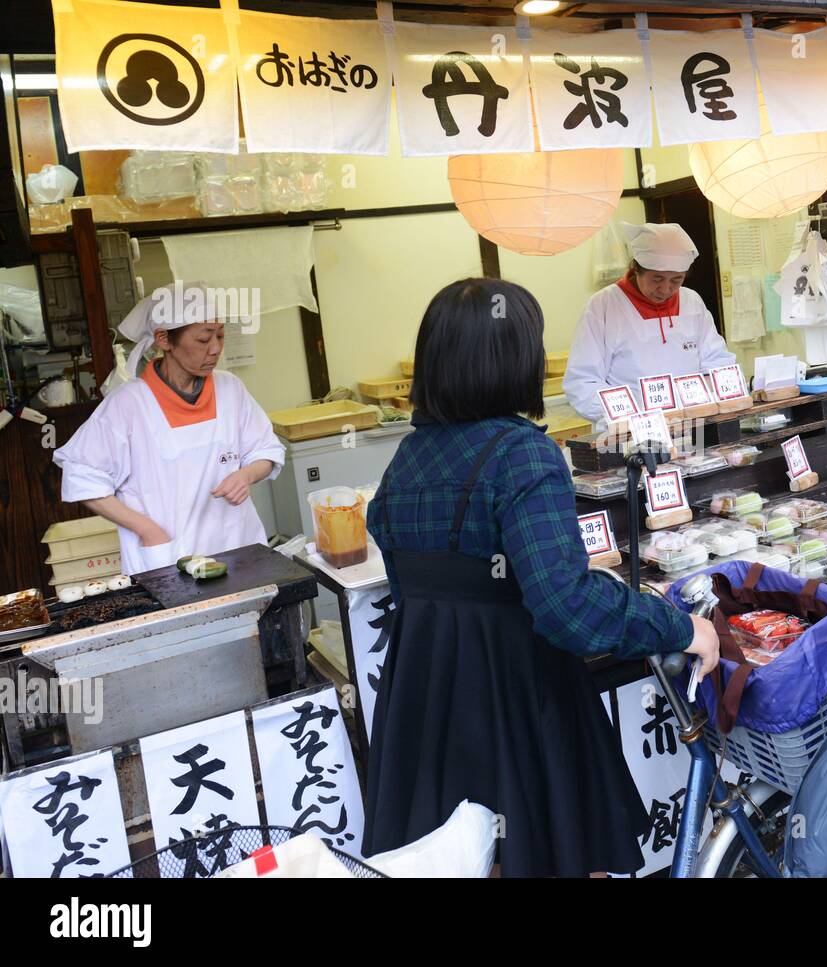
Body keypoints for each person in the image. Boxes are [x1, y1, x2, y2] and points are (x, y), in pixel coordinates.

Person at [362, 277, 720, 876]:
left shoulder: (406, 462)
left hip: (424, 714)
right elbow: (565, 604)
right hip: (521, 702)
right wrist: (679, 626)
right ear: (514, 363)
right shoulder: (521, 453)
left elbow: (412, 592)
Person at [54, 281, 283, 575]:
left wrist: (247, 474)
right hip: (167, 561)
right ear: (163, 339)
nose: (215, 349)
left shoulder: (231, 389)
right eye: (203, 340)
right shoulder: (129, 404)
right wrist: (147, 530)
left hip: (238, 550)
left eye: (221, 336)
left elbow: (266, 449)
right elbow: (80, 475)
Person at [563, 221, 737, 424]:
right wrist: (632, 417)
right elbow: (583, 380)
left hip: (694, 425)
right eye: (657, 279)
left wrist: (717, 396)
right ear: (636, 269)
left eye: (676, 280)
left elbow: (717, 360)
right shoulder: (603, 306)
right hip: (632, 432)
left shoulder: (692, 302)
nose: (665, 289)